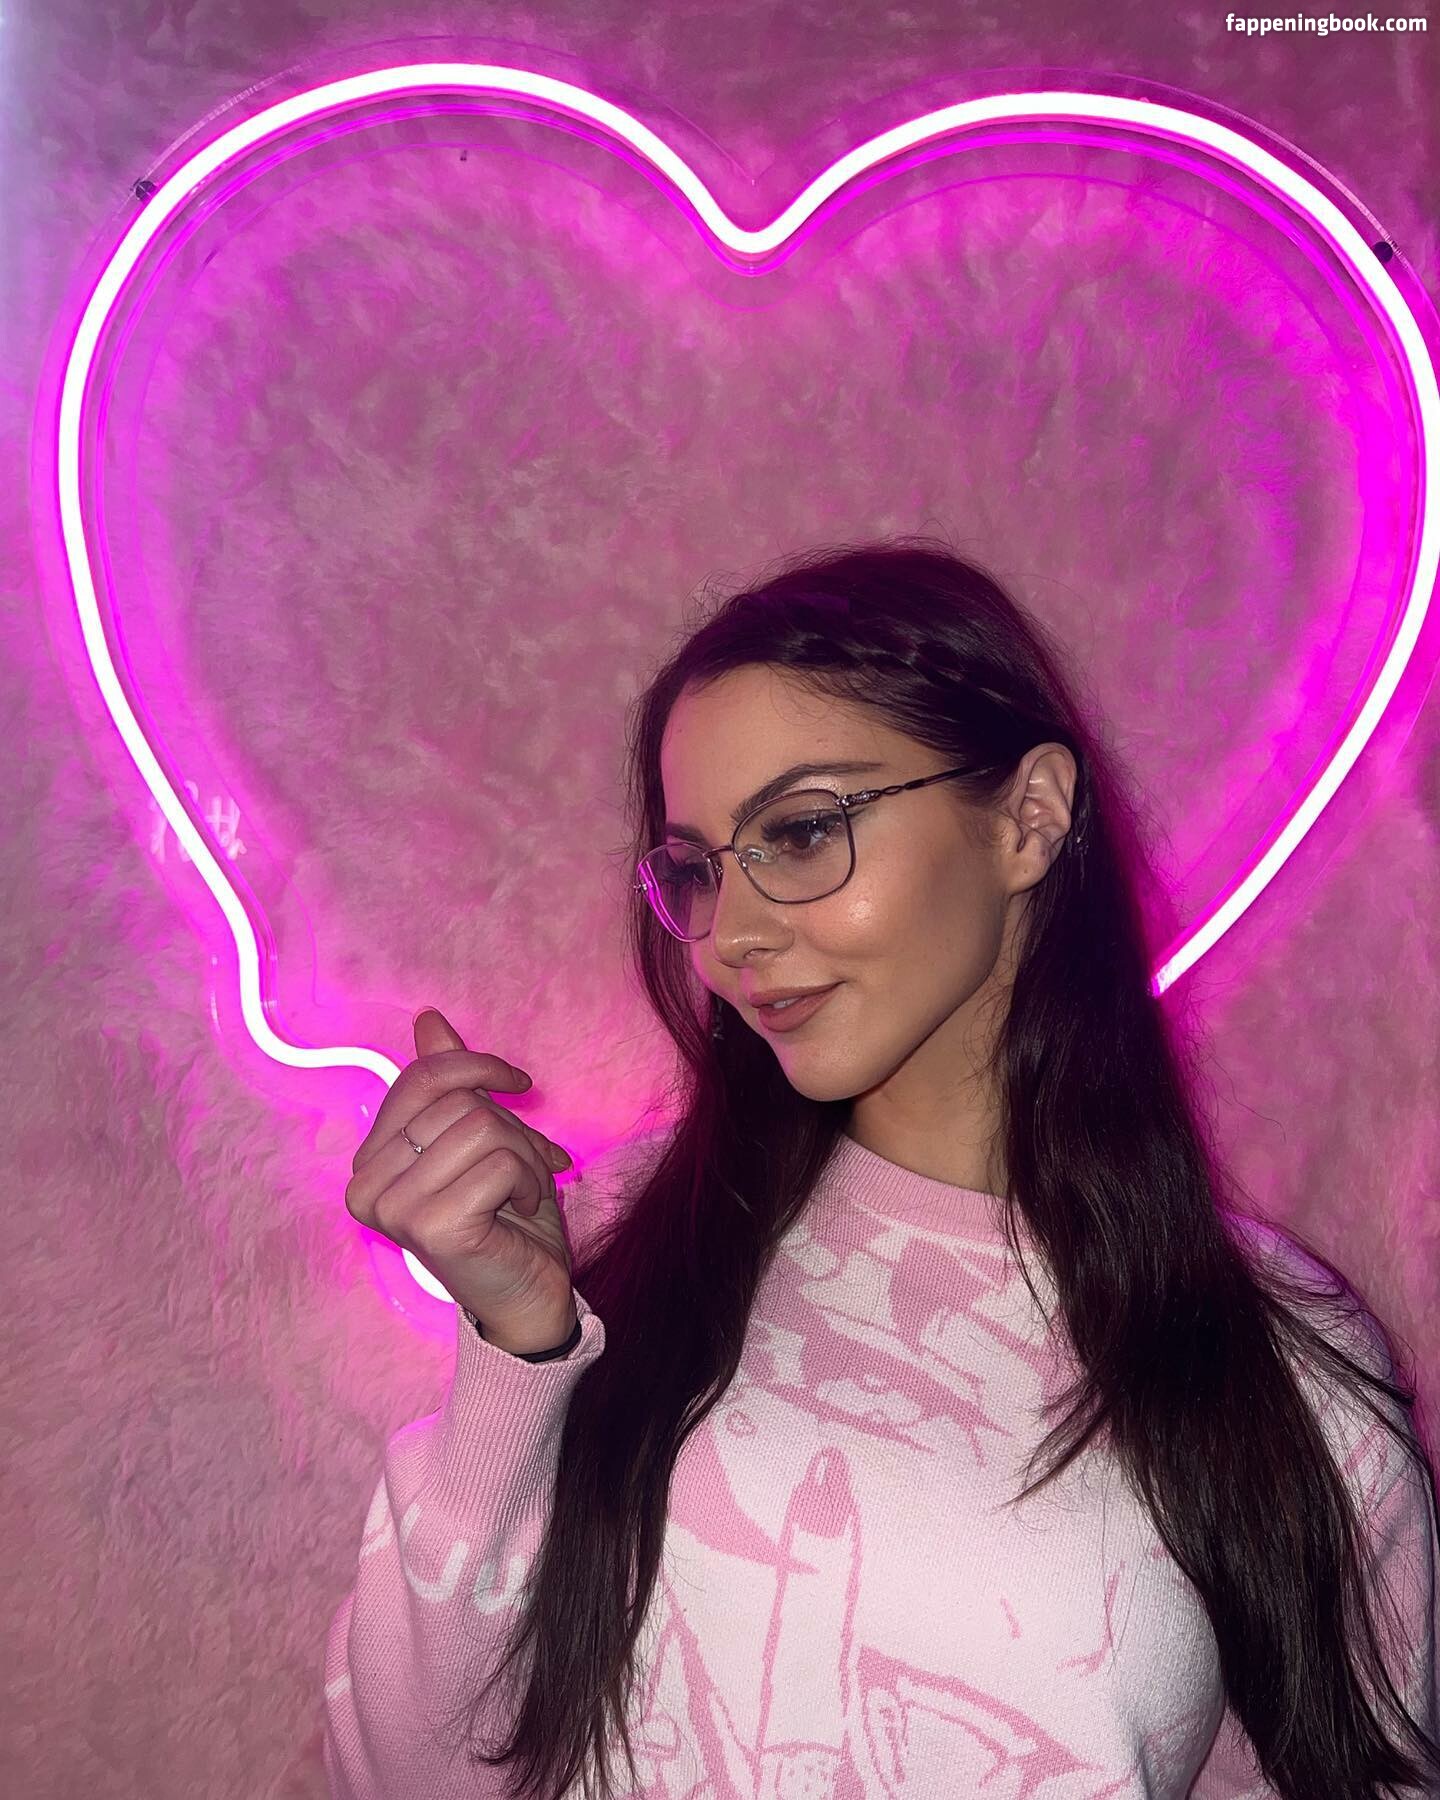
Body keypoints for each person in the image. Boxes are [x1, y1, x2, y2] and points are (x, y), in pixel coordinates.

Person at [323, 538, 1440, 1800]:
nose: (731, 936)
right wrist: (517, 1349)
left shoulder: (1287, 1366)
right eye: (697, 869)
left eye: (803, 832)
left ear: (1029, 816)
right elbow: (411, 1774)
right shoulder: (616, 1242)